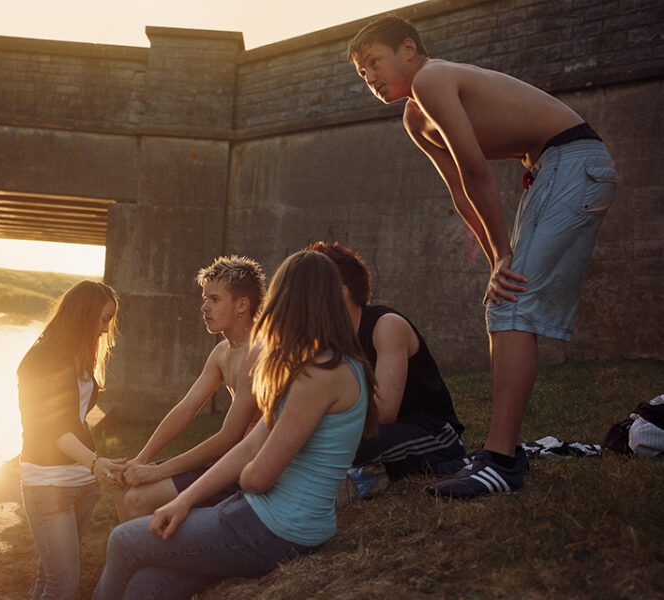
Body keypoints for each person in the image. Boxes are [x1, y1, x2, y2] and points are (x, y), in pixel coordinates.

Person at [348, 15, 619, 498]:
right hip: (550, 169)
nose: (370, 77)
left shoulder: (432, 79)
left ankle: (500, 462)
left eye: (374, 61)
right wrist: (498, 251)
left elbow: (477, 171)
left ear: (409, 48)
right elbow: (458, 189)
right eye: (361, 74)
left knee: (509, 301)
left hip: (572, 160)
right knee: (504, 303)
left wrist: (502, 255)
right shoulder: (415, 116)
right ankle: (502, 455)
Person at [92, 250, 377, 600]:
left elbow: (255, 474)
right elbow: (247, 445)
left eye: (279, 294)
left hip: (275, 529)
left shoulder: (319, 374)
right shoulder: (323, 364)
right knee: (147, 585)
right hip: (259, 515)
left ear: (292, 300)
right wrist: (185, 501)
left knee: (124, 541)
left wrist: (242, 475)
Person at [308, 241, 464, 496]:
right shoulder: (325, 341)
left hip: (432, 436)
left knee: (342, 439)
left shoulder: (386, 325)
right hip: (372, 431)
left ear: (340, 292)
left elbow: (385, 411)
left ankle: (350, 477)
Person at [115, 255, 265, 521]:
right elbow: (186, 408)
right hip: (225, 459)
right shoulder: (222, 352)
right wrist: (142, 459)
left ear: (242, 306)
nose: (204, 307)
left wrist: (159, 471)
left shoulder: (258, 354)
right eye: (205, 298)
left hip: (247, 464)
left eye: (215, 299)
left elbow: (230, 437)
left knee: (137, 498)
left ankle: (148, 553)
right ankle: (142, 555)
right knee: (126, 485)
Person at [18, 280, 127, 600]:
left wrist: (93, 467)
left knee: (51, 577)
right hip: (48, 486)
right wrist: (95, 462)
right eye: (104, 319)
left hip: (81, 484)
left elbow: (77, 420)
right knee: (63, 587)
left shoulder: (80, 358)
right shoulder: (40, 359)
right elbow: (52, 427)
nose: (106, 330)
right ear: (83, 314)